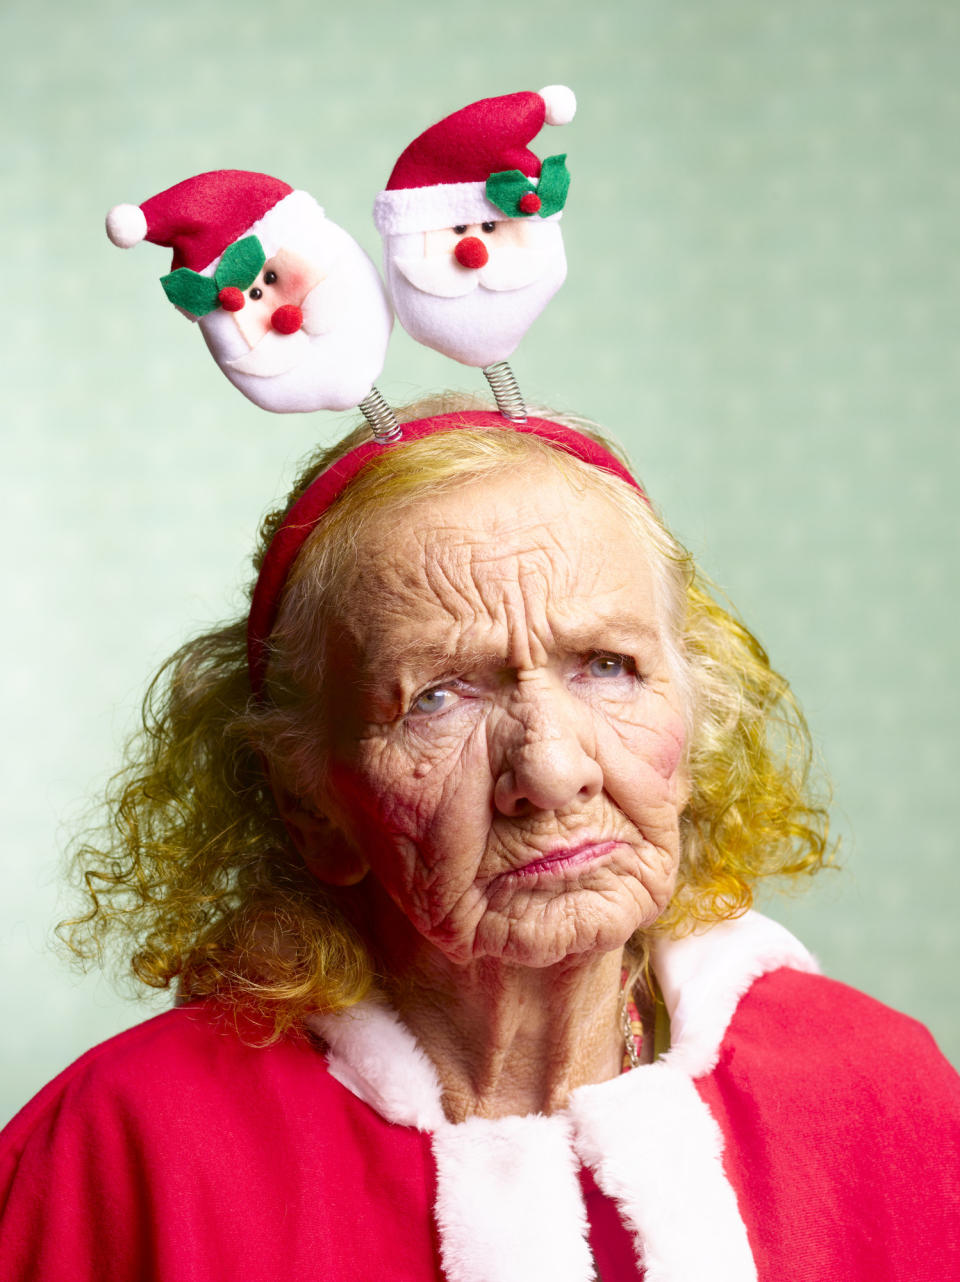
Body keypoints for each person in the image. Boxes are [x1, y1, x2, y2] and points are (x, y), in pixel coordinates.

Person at [1, 396, 958, 1282]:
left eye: (608, 666)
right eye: (438, 698)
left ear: (696, 722)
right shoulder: (120, 1150)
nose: (551, 773)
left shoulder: (883, 1098)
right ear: (308, 801)